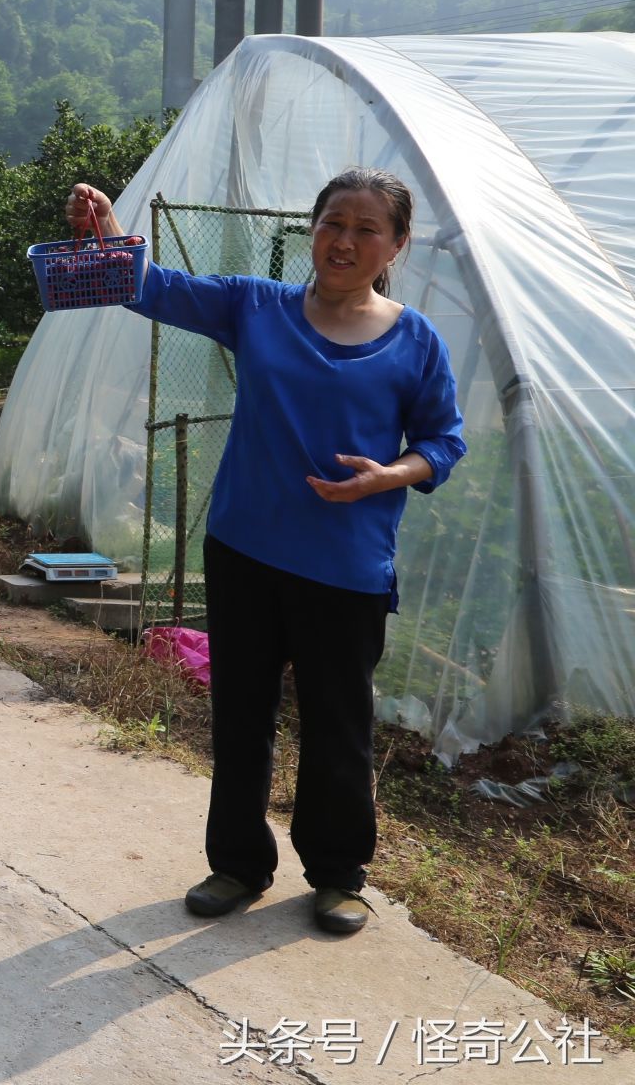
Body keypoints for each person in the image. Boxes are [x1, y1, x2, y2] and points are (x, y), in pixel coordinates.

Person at [66, 169, 466, 936]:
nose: (344, 241)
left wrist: (392, 474)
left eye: (366, 228)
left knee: (337, 724)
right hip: (246, 549)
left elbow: (444, 441)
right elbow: (157, 287)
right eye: (332, 222)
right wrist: (109, 229)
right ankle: (238, 864)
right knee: (240, 714)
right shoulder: (258, 307)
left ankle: (339, 873)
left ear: (397, 245)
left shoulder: (415, 341)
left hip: (346, 565)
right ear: (312, 228)